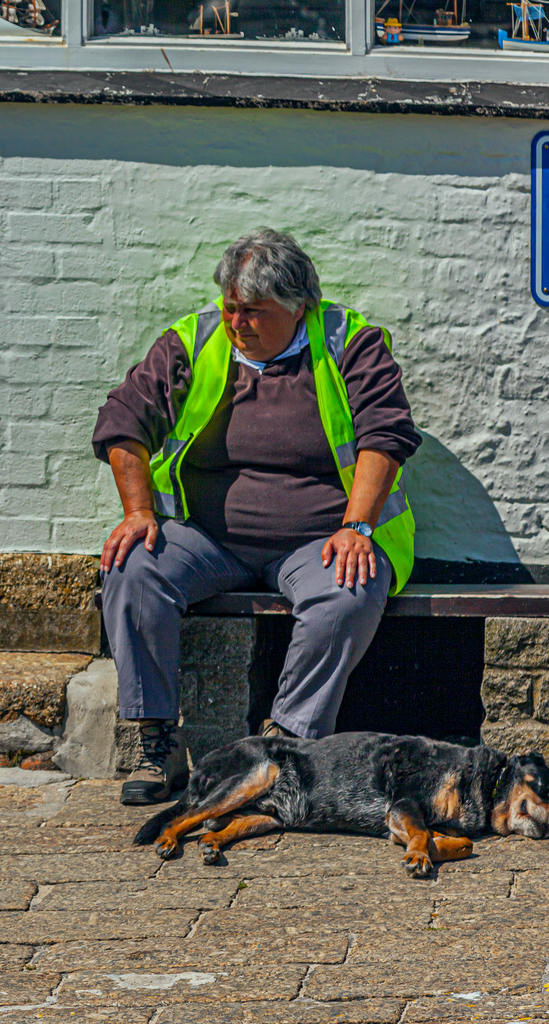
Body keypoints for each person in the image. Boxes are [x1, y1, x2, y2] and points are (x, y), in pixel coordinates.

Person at [93, 228, 420, 806]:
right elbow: (123, 423)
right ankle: (156, 741)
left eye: (253, 311)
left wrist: (358, 527)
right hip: (209, 538)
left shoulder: (352, 343)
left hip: (320, 541)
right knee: (132, 568)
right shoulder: (192, 342)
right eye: (230, 307)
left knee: (350, 589)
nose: (236, 321)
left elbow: (384, 436)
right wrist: (139, 512)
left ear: (299, 307)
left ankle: (287, 750)